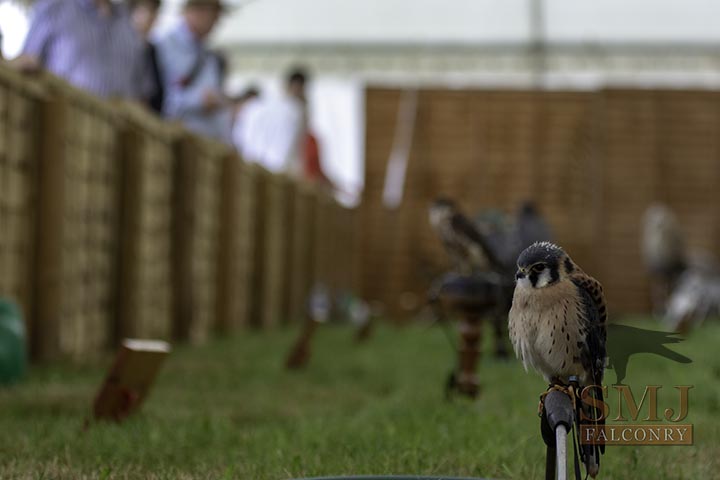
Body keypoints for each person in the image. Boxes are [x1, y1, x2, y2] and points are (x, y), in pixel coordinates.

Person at [12, 0, 150, 100]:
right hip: (59, 128)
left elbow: (140, 94)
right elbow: (26, 65)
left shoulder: (129, 28)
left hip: (114, 135)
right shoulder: (54, 9)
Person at [155, 0, 232, 142]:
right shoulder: (164, 46)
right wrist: (199, 100)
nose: (216, 23)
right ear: (196, 11)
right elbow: (162, 101)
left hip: (207, 143)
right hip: (179, 141)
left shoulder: (209, 55)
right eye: (214, 15)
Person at [236, 68, 308, 175]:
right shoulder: (296, 112)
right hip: (278, 172)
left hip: (251, 168)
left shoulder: (256, 106)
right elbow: (294, 148)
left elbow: (240, 138)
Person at [128, 0, 164, 113]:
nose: (150, 17)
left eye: (154, 11)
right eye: (145, 10)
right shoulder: (123, 47)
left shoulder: (152, 49)